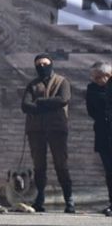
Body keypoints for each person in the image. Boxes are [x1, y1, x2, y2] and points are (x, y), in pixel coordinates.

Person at [21, 53, 74, 213]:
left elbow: (63, 99)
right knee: (39, 166)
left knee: (61, 165)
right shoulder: (32, 84)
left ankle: (69, 199)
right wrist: (47, 105)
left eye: (44, 63)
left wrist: (39, 102)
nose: (41, 67)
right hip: (36, 130)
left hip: (56, 129)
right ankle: (40, 198)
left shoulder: (62, 81)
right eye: (38, 64)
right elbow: (25, 105)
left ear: (51, 64)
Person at [85, 61, 112, 217]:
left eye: (99, 77)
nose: (97, 80)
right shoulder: (92, 90)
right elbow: (92, 111)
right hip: (103, 135)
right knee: (109, 171)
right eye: (94, 78)